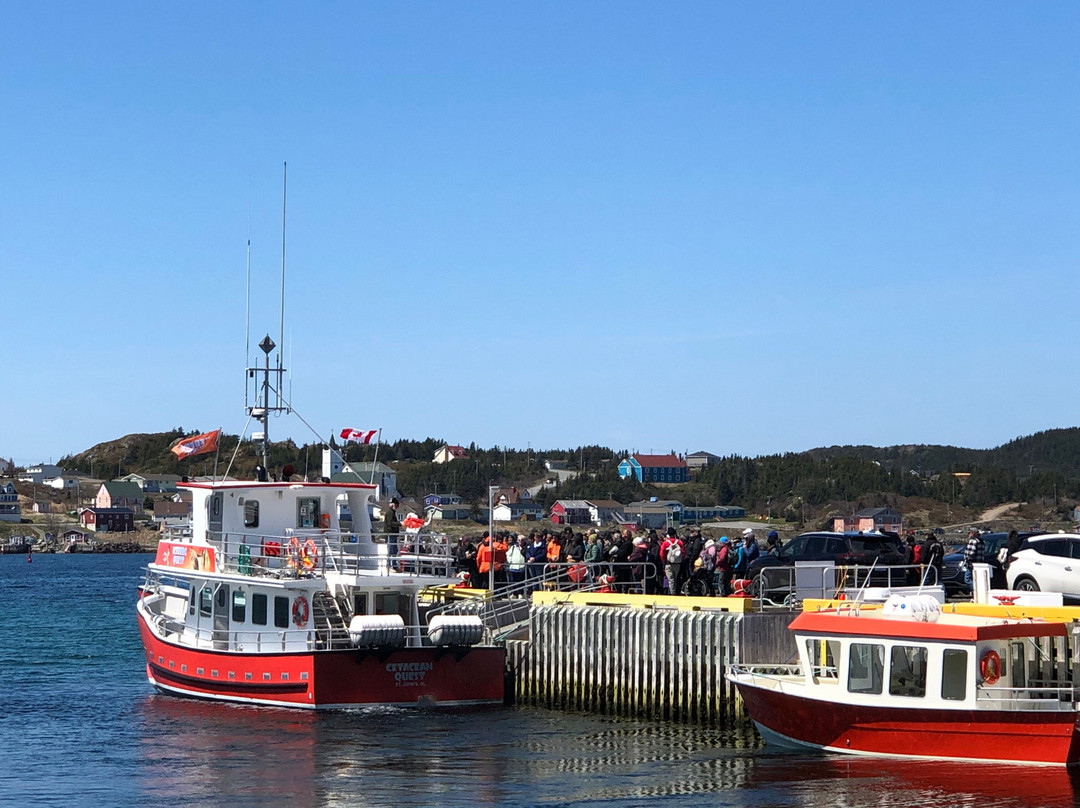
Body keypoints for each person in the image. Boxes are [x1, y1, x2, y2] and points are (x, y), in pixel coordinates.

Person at [659, 528, 685, 595]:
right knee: (676, 579)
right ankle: (676, 592)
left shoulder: (665, 543)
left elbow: (661, 554)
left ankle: (672, 593)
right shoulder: (679, 542)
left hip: (668, 564)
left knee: (671, 580)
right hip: (678, 564)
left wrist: (664, 561)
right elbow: (684, 553)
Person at [383, 497, 401, 569]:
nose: (397, 508)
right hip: (390, 534)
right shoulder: (390, 512)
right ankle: (391, 565)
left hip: (392, 534)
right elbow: (390, 523)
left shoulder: (391, 512)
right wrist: (399, 524)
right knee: (391, 550)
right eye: (396, 506)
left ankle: (393, 565)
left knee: (394, 550)